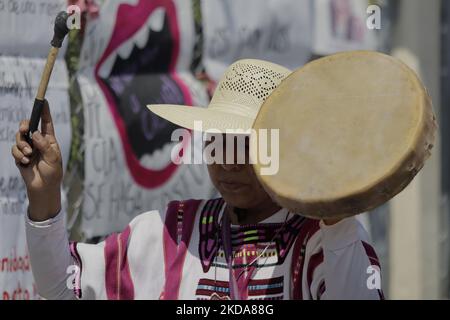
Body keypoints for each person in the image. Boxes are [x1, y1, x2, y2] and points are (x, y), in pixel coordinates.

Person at [12, 59, 383, 300]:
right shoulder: (172, 232)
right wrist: (45, 200)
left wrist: (337, 220)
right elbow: (63, 286)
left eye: (247, 146)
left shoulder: (323, 238)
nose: (229, 162)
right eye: (217, 141)